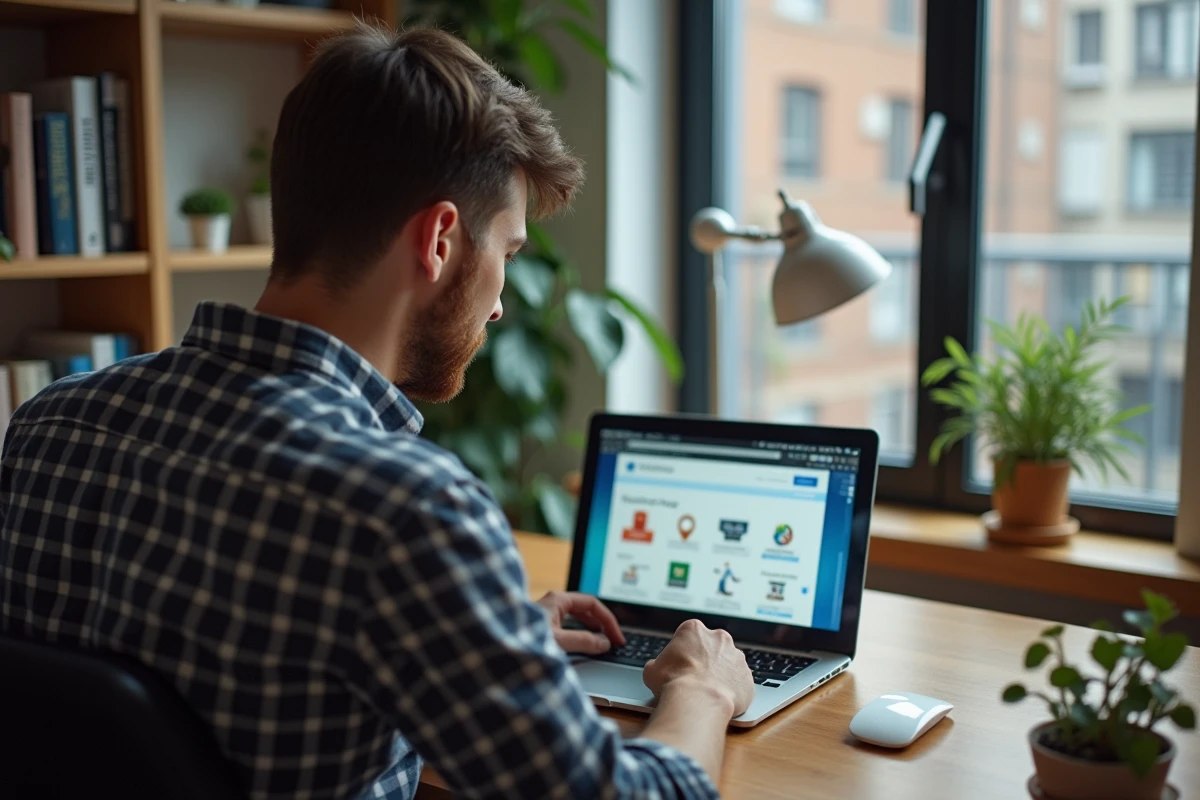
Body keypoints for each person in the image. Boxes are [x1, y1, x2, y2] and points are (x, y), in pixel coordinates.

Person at [0, 23, 753, 800]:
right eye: (509, 252)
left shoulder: (51, 422)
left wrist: (485, 634)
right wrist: (704, 688)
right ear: (439, 241)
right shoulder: (405, 511)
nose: (499, 304)